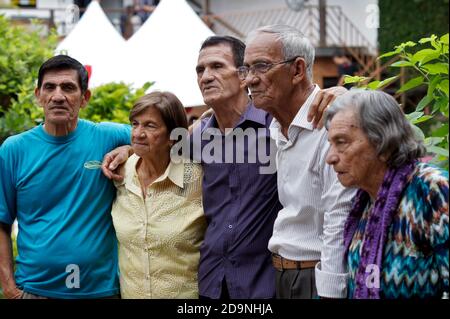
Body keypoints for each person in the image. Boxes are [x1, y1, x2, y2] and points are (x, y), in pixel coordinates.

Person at [103, 35, 340, 299]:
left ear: (244, 76)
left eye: (217, 67)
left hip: (263, 283)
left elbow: (311, 109)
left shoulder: (274, 128)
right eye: (200, 70)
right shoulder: (196, 139)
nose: (205, 76)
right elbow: (156, 141)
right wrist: (128, 150)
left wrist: (342, 94)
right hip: (212, 283)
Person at [0, 55, 130, 299]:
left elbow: (168, 139)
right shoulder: (14, 150)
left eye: (68, 87)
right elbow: (1, 222)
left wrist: (129, 149)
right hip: (33, 291)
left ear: (85, 98)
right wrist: (9, 289)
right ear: (38, 95)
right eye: (50, 87)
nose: (58, 96)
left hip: (101, 291)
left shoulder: (108, 137)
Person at [242, 25, 355, 299]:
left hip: (317, 278)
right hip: (283, 275)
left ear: (297, 70)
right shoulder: (276, 126)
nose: (249, 80)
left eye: (261, 67)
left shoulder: (331, 122)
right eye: (246, 69)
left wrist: (330, 292)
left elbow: (339, 218)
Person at [325, 89, 449, 299]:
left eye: (342, 142)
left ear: (383, 143)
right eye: (331, 144)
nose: (330, 158)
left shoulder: (432, 190)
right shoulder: (364, 201)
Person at [111, 91, 206, 298]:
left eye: (150, 126)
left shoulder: (197, 179)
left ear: (173, 137)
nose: (138, 133)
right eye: (135, 124)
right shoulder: (118, 174)